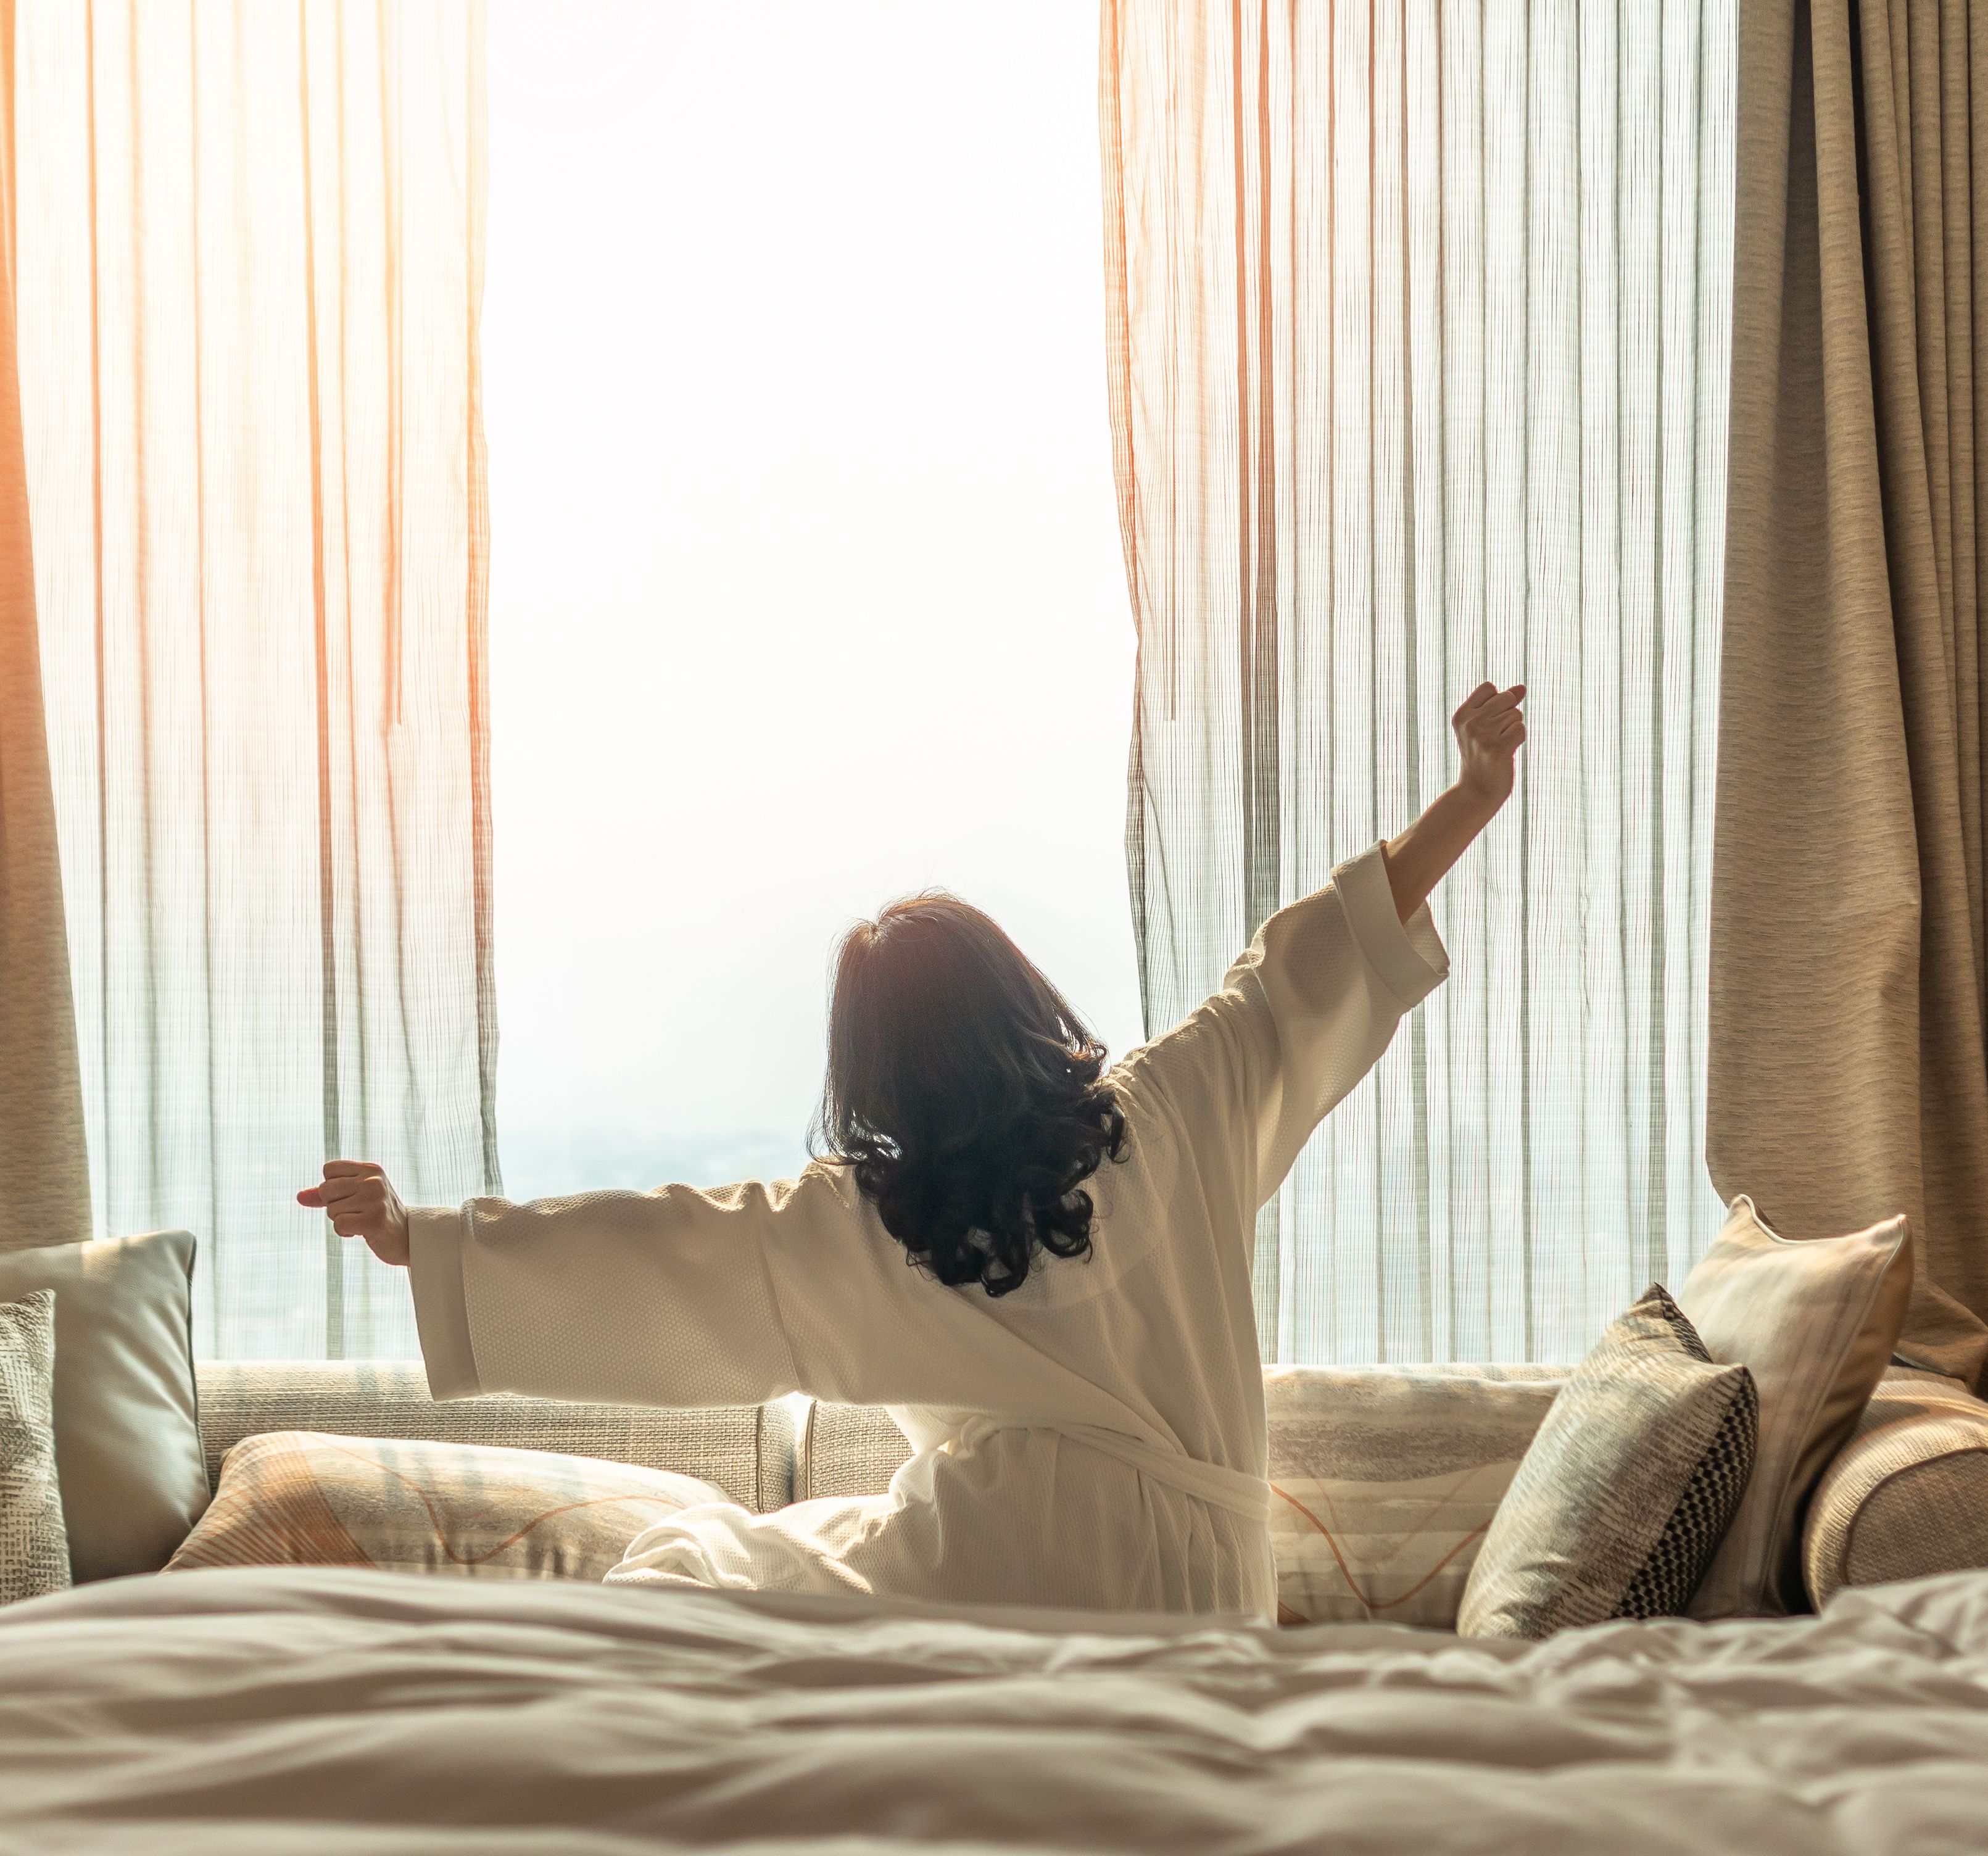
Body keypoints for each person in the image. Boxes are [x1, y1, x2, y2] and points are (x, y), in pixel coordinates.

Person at [300, 682, 1526, 1618]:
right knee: (737, 1562)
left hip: (1000, 1571)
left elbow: (663, 1248)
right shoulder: (1180, 1105)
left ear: (871, 1072)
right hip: (1209, 1589)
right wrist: (1468, 796)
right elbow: (1306, 966)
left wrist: (428, 1241)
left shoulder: (869, 1219)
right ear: (1020, 995)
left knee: (687, 1565)